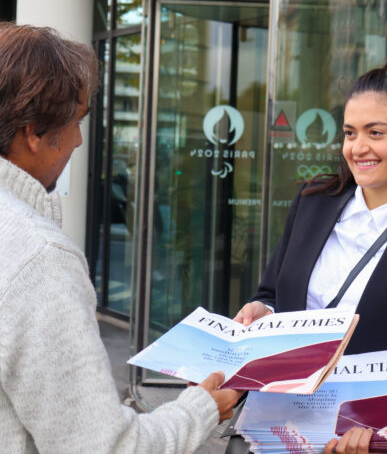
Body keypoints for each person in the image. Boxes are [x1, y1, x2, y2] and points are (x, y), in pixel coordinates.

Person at [0, 23, 241, 453]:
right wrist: (199, 408)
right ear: (33, 132)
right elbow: (100, 447)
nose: (77, 141)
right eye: (76, 122)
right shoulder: (38, 258)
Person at [232, 58, 387, 453]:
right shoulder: (314, 201)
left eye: (375, 132)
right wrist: (262, 311)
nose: (358, 148)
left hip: (364, 437)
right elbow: (272, 292)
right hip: (280, 427)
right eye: (350, 132)